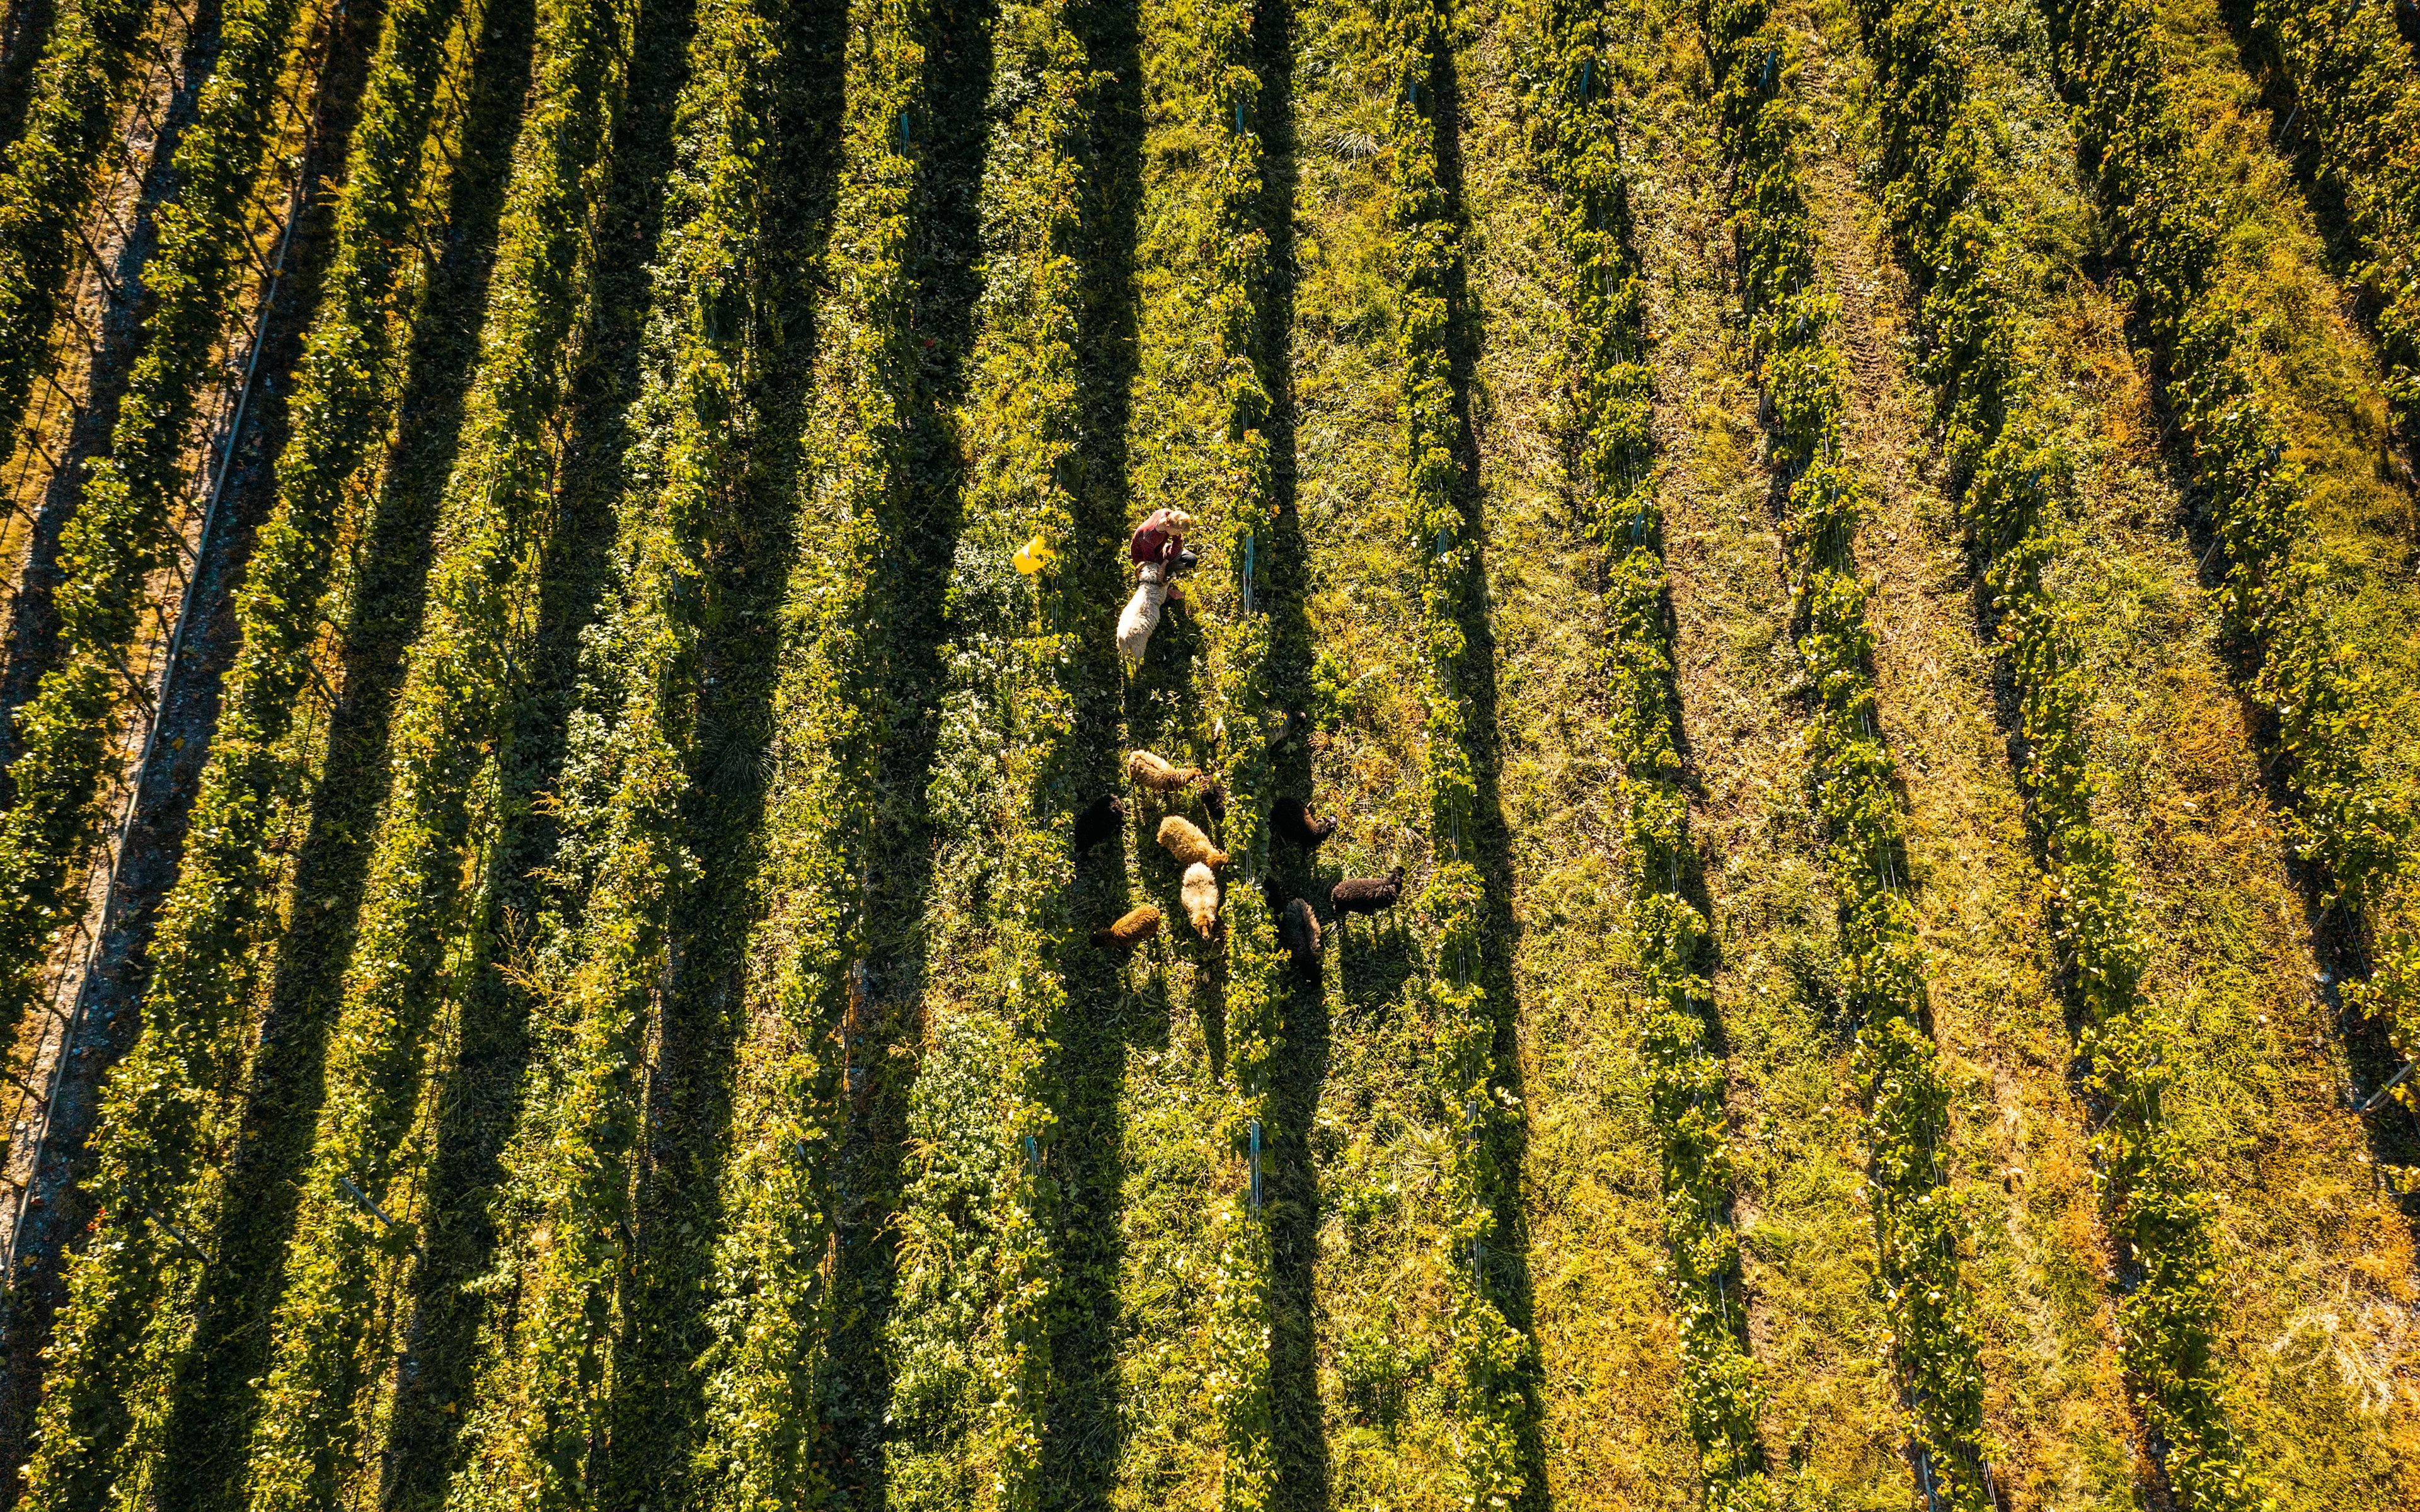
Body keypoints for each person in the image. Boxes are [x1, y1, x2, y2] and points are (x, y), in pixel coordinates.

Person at [1129, 507, 1199, 585]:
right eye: (1177, 532)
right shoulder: (1149, 538)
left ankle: (1165, 572)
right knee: (1155, 586)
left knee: (1191, 560)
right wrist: (1159, 570)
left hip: (1159, 549)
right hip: (1146, 559)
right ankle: (1164, 579)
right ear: (1168, 526)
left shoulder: (1168, 515)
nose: (1178, 534)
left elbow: (1178, 541)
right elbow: (1150, 563)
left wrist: (1166, 561)